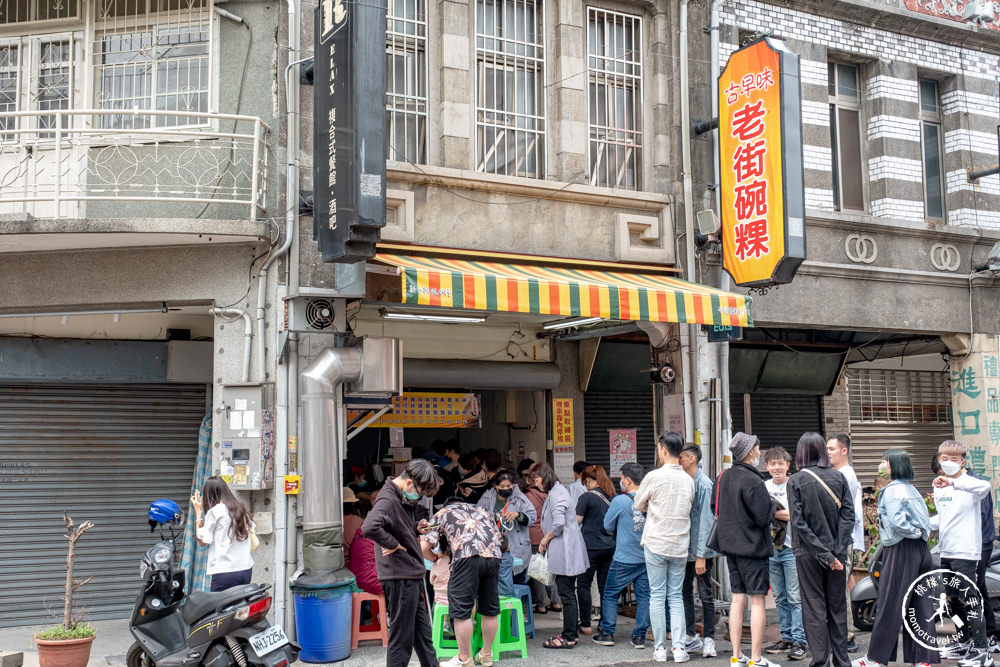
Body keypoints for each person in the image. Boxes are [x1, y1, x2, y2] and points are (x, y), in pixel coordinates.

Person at [852, 449, 937, 667]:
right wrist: (919, 535)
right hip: (920, 551)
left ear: (893, 466)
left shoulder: (892, 491)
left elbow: (899, 522)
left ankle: (875, 659)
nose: (881, 465)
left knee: (891, 603)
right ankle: (922, 660)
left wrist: (911, 532)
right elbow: (924, 520)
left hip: (900, 550)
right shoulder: (911, 489)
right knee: (920, 604)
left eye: (884, 462)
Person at [360, 459, 441, 667]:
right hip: (400, 574)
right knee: (401, 638)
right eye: (420, 492)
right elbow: (369, 527)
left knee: (423, 635)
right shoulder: (388, 499)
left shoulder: (398, 497)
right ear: (409, 483)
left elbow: (396, 525)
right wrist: (393, 543)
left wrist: (416, 527)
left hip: (408, 573)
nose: (419, 497)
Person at [787, 432, 854, 667]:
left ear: (801, 452)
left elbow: (799, 523)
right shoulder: (838, 477)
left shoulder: (795, 481)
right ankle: (843, 662)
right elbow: (848, 516)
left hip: (808, 554)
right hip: (837, 554)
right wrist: (836, 553)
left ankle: (820, 662)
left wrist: (824, 554)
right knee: (837, 606)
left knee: (814, 606)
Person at [713, 432, 777, 667]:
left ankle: (737, 656)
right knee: (757, 601)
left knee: (737, 599)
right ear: (750, 452)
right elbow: (763, 517)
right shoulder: (754, 480)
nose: (760, 452)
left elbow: (715, 506)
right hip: (753, 548)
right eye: (758, 448)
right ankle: (757, 659)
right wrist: (771, 506)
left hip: (730, 547)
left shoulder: (724, 477)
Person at [421, 496, 504, 667]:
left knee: (461, 611)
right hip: (493, 557)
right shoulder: (483, 511)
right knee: (490, 609)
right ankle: (486, 654)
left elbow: (424, 548)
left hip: (466, 558)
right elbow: (500, 540)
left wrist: (435, 557)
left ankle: (465, 658)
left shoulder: (443, 513)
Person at [931, 440, 993, 667]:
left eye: (954, 459)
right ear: (939, 459)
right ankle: (963, 643)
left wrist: (954, 481)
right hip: (946, 551)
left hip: (966, 552)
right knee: (951, 600)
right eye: (944, 458)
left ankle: (982, 651)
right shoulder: (938, 485)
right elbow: (943, 517)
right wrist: (923, 524)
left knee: (971, 601)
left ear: (962, 461)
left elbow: (985, 488)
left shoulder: (970, 483)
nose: (948, 462)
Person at [634, 430, 695, 663]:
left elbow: (638, 503)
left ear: (663, 449)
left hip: (656, 542)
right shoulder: (688, 480)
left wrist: (653, 506)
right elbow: (688, 507)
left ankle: (660, 648)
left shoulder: (654, 477)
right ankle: (679, 649)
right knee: (676, 596)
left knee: (657, 595)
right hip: (680, 544)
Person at [592, 462, 650, 649]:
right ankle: (640, 636)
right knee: (645, 597)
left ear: (628, 480)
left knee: (610, 594)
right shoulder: (651, 498)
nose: (619, 482)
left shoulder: (620, 501)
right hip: (647, 557)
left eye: (621, 478)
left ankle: (607, 632)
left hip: (624, 557)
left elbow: (607, 526)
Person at [533, 461, 589, 649]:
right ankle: (572, 633)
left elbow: (557, 524)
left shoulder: (558, 494)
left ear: (544, 477)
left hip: (566, 549)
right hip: (566, 548)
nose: (536, 483)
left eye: (537, 479)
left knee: (566, 594)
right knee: (568, 593)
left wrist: (544, 540)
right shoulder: (557, 492)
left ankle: (568, 637)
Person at [763, 447, 807, 661]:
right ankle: (786, 637)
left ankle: (800, 641)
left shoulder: (795, 484)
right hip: (772, 548)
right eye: (773, 464)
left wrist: (773, 512)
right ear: (767, 467)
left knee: (795, 597)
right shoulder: (764, 487)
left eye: (781, 463)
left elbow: (797, 516)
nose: (777, 467)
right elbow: (760, 514)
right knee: (779, 597)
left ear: (788, 465)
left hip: (792, 547)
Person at [679, 444, 718, 658]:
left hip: (699, 551)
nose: (679, 460)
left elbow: (706, 522)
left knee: (705, 595)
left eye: (682, 457)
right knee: (684, 593)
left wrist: (701, 555)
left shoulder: (704, 484)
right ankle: (691, 636)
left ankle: (709, 639)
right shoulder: (686, 482)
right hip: (684, 550)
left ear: (692, 458)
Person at [826, 433, 864, 654]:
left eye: (832, 449)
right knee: (842, 584)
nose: (828, 452)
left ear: (844, 451)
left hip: (842, 539)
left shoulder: (846, 475)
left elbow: (844, 511)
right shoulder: (839, 473)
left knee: (838, 587)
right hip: (841, 538)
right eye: (827, 449)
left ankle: (847, 636)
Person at [191, 476, 254, 591]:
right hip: (245, 569)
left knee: (218, 607)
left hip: (225, 572)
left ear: (208, 494)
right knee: (240, 607)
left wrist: (198, 512)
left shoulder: (216, 511)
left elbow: (202, 542)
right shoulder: (240, 509)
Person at [575, 464, 616, 635]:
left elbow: (577, 521)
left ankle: (585, 624)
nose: (585, 486)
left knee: (583, 584)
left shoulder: (586, 497)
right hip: (609, 546)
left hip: (590, 547)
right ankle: (604, 623)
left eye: (585, 482)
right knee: (605, 586)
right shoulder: (612, 496)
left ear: (589, 480)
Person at [478, 469, 536, 585]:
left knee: (516, 583)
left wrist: (518, 515)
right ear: (495, 486)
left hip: (516, 547)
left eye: (509, 486)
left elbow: (532, 517)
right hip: (493, 548)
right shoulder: (487, 498)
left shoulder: (520, 498)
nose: (506, 488)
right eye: (502, 486)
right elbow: (477, 516)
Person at [524, 470, 560, 614]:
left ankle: (541, 604)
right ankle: (556, 602)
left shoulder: (527, 497)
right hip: (548, 534)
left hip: (533, 535)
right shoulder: (550, 495)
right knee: (550, 568)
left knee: (537, 570)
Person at [343, 487, 364, 567]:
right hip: (354, 565)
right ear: (353, 504)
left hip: (335, 564)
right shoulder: (359, 522)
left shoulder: (332, 522)